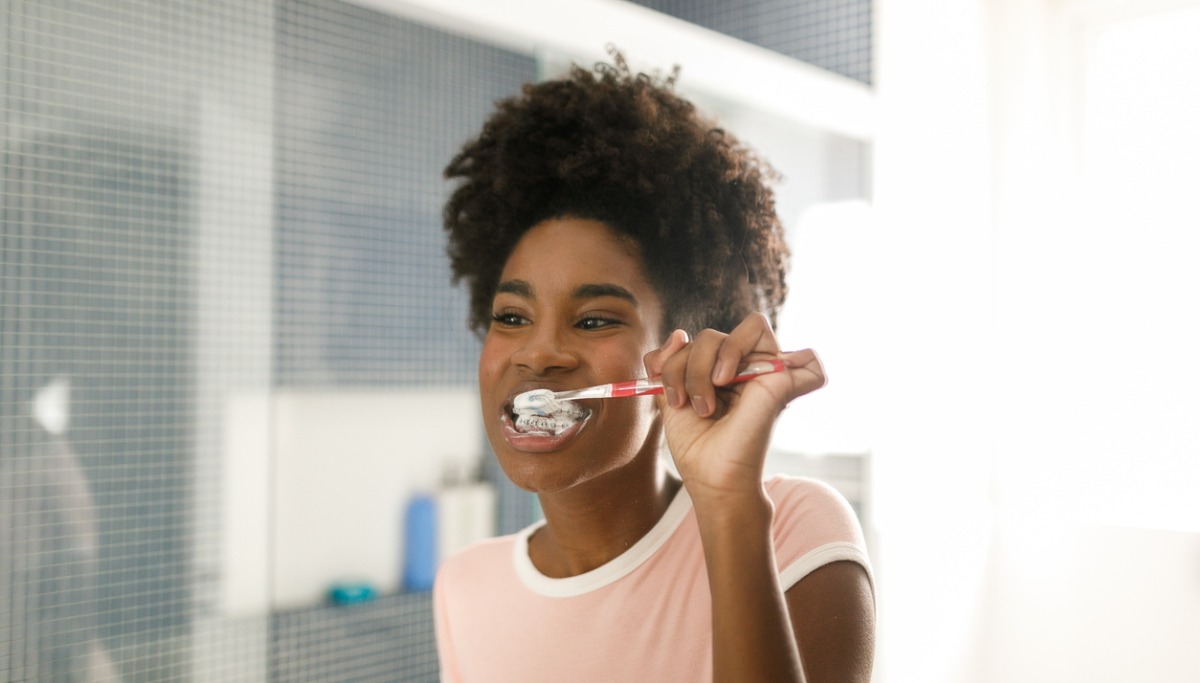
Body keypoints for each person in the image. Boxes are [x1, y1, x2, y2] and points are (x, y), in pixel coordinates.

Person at [434, 49, 875, 683]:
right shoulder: (466, 584)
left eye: (594, 320)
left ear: (682, 357)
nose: (538, 353)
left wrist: (726, 502)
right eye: (511, 317)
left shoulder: (795, 533)